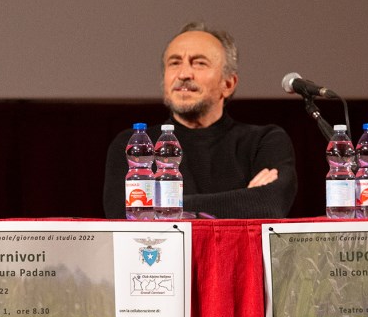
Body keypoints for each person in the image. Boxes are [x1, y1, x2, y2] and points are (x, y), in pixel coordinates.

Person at [103, 22, 297, 218]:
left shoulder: (264, 142)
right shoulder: (136, 145)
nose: (184, 74)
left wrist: (158, 205)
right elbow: (122, 214)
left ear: (228, 83)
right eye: (175, 62)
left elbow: (270, 204)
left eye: (199, 63)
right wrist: (245, 198)